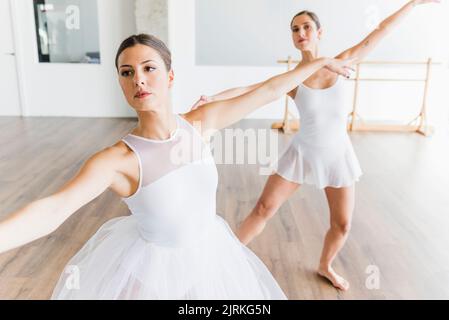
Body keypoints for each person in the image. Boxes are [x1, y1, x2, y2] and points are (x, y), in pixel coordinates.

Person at [0, 34, 352, 299]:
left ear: (169, 77)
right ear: (121, 83)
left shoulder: (199, 124)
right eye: (127, 72)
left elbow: (271, 89)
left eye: (149, 68)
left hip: (212, 254)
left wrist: (318, 63)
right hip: (155, 274)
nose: (138, 79)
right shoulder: (118, 161)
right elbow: (52, 209)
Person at [194, 0, 440, 291]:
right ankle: (222, 258)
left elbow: (381, 30)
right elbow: (251, 90)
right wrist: (212, 99)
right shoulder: (294, 78)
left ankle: (325, 265)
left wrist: (414, 3)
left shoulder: (342, 63)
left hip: (337, 156)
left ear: (319, 32)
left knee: (342, 225)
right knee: (262, 208)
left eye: (306, 27)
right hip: (302, 153)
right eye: (295, 29)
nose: (301, 32)